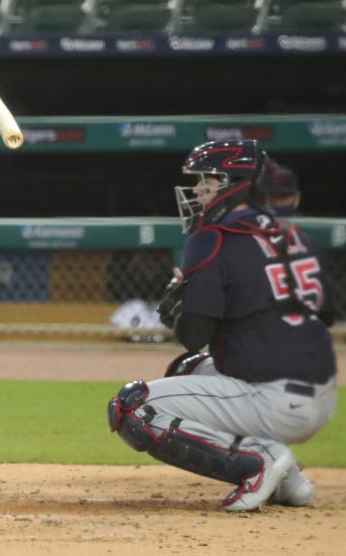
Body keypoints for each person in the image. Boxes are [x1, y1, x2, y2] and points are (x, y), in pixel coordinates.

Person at [107, 139, 338, 512]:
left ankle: (259, 461)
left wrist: (179, 307)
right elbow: (328, 312)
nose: (198, 190)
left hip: (275, 399)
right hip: (320, 394)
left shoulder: (211, 237)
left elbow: (193, 336)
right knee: (189, 369)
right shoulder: (293, 234)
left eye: (208, 181)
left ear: (235, 183)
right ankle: (291, 478)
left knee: (132, 408)